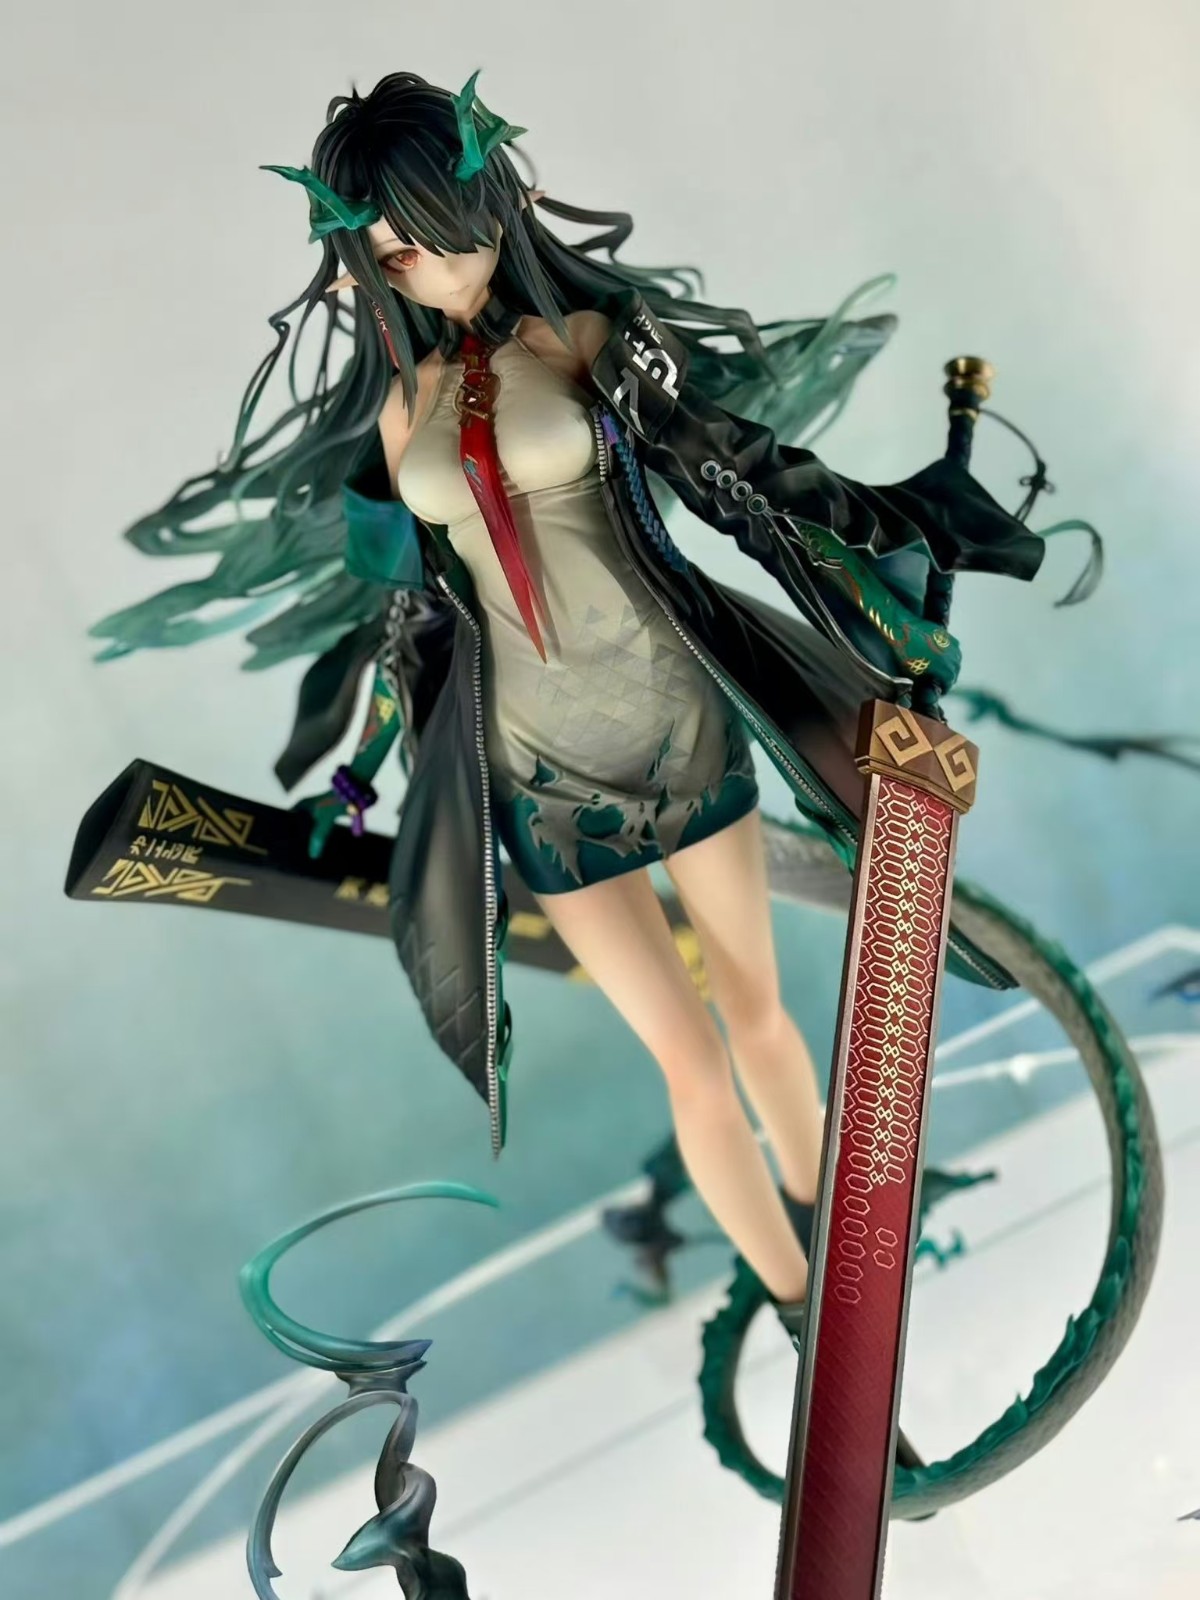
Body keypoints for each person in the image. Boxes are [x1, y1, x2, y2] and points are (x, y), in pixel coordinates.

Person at [92, 69, 1046, 1324]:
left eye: (439, 235)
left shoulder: (592, 343)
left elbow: (739, 481)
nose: (428, 268)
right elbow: (410, 616)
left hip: (677, 724)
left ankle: (849, 1268)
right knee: (688, 1059)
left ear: (494, 202)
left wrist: (883, 579)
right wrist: (366, 760)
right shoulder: (401, 414)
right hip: (537, 773)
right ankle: (803, 1310)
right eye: (395, 255)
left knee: (756, 1011)